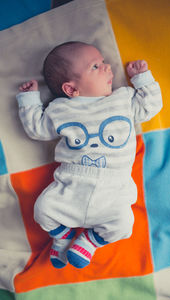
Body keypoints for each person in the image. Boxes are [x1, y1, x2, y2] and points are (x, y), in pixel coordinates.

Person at [16, 41, 162, 269]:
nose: (107, 67)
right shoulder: (60, 109)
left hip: (114, 188)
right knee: (42, 210)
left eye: (103, 62)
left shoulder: (122, 99)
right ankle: (62, 236)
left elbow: (150, 106)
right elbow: (37, 129)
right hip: (71, 184)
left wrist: (142, 79)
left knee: (124, 224)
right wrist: (29, 100)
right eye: (95, 66)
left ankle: (90, 241)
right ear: (71, 89)